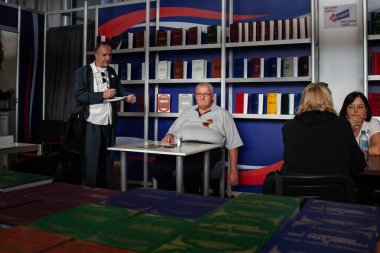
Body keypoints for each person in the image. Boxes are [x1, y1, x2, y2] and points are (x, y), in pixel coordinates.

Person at [152, 82, 243, 194]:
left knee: (188, 171)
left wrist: (233, 171)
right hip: (183, 148)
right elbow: (171, 132)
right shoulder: (188, 112)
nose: (202, 97)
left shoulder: (223, 114)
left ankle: (192, 198)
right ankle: (172, 195)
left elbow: (233, 144)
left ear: (212, 96)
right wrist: (169, 135)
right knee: (158, 167)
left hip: (208, 151)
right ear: (195, 96)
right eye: (199, 94)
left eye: (206, 94)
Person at [73, 41, 136, 188]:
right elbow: (79, 95)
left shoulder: (111, 71)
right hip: (92, 122)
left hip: (109, 122)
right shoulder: (83, 72)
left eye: (110, 54)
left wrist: (128, 95)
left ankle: (106, 194)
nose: (108, 58)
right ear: (95, 55)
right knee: (92, 160)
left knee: (108, 161)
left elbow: (120, 89)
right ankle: (90, 193)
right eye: (104, 55)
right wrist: (102, 95)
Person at [281, 82, 366, 176]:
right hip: (334, 189)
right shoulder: (342, 125)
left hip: (295, 189)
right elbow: (359, 165)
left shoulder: (288, 127)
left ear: (303, 101)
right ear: (328, 100)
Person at [339, 91, 380, 155]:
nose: (355, 111)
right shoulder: (338, 125)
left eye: (360, 107)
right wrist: (347, 127)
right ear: (345, 111)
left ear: (366, 110)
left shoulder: (373, 123)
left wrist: (349, 151)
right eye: (351, 107)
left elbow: (377, 149)